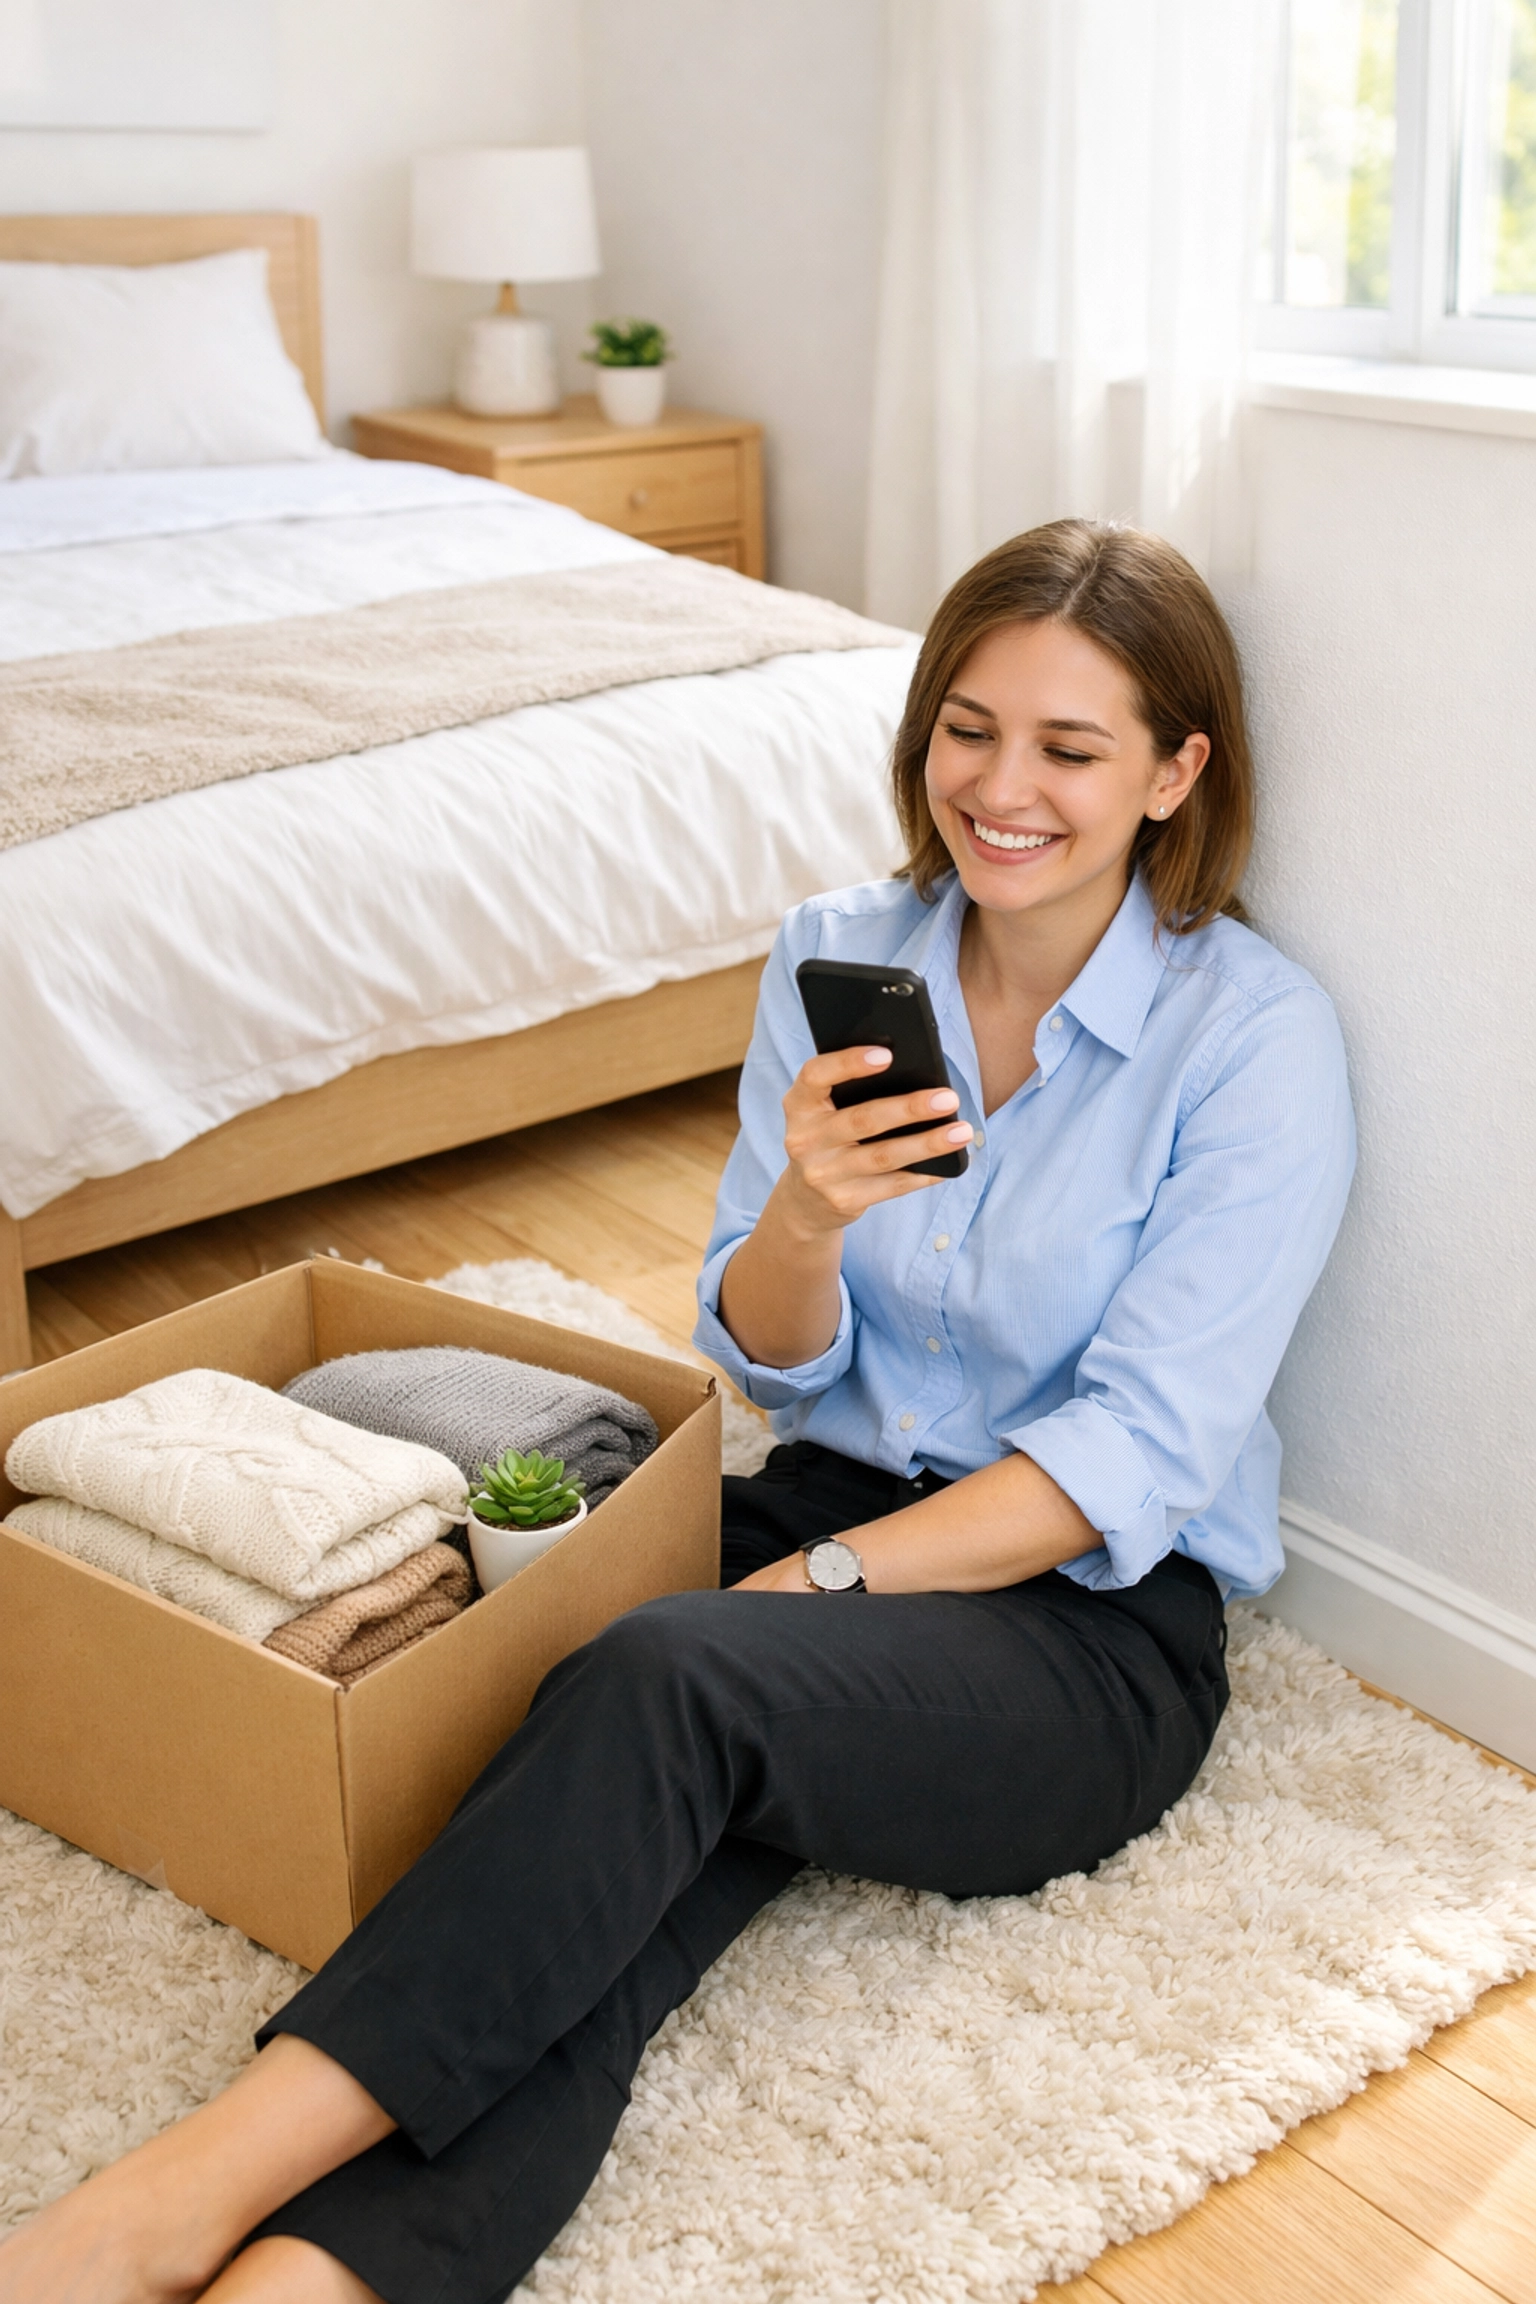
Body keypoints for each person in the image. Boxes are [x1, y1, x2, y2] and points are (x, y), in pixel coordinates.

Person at [0, 519, 1355, 2304]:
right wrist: (806, 1210)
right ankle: (319, 2281)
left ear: (1177, 772)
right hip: (818, 1498)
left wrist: (822, 1594)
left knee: (666, 1678)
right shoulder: (841, 951)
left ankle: (157, 2206)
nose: (998, 787)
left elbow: (1140, 1458)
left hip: (1083, 1630)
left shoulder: (1250, 1040)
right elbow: (764, 1355)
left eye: (1068, 747)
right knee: (585, 1797)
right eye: (966, 728)